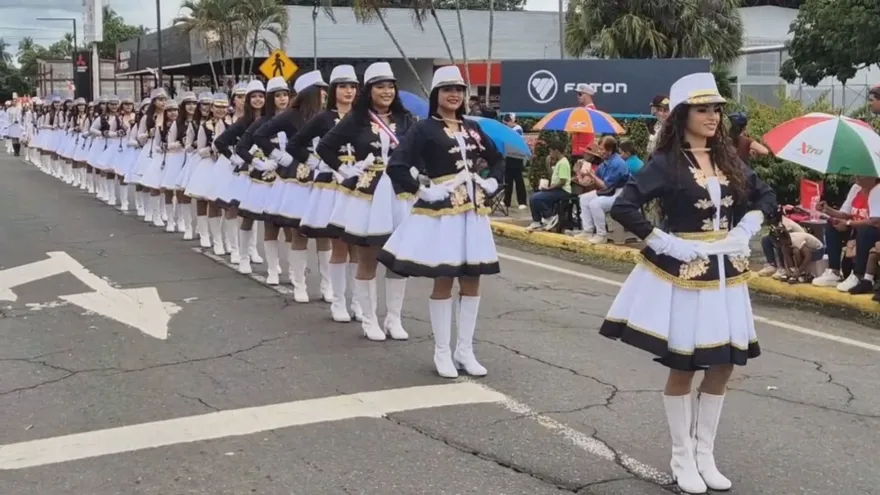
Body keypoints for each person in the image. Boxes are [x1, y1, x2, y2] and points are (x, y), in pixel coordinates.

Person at [599, 72, 776, 494]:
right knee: (686, 363)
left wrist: (749, 224)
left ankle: (705, 454)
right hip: (687, 272)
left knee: (724, 362)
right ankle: (681, 456)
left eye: (716, 108)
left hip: (727, 275)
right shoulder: (666, 163)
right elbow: (625, 206)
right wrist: (663, 241)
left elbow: (765, 195)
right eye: (703, 109)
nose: (713, 116)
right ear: (682, 115)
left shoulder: (730, 158)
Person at [378, 65, 503, 378]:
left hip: (473, 213)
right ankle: (442, 351)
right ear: (436, 94)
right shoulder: (423, 129)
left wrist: (491, 183)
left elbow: (499, 160)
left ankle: (466, 350)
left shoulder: (473, 127)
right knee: (445, 278)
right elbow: (397, 165)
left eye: (459, 90)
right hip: (442, 214)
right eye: (448, 89)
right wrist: (422, 190)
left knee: (473, 279)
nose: (454, 95)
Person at [316, 62, 417, 342]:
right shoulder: (357, 119)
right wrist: (345, 169)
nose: (386, 91)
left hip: (400, 191)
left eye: (390, 86)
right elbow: (325, 146)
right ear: (369, 90)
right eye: (379, 86)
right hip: (370, 194)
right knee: (368, 255)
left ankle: (394, 319)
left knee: (398, 258)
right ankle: (369, 318)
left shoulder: (406, 118)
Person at [290, 65, 363, 319]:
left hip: (358, 185)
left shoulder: (363, 117)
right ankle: (335, 297)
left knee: (357, 244)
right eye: (343, 86)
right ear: (333, 90)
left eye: (353, 86)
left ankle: (358, 301)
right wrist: (314, 162)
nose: (349, 91)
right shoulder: (323, 118)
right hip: (331, 184)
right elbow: (295, 144)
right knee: (338, 243)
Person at [811, 177, 880, 291]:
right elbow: (845, 213)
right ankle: (834, 271)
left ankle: (858, 275)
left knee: (866, 231)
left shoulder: (878, 190)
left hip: (872, 231)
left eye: (859, 174)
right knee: (832, 227)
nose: (856, 177)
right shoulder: (855, 189)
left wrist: (849, 223)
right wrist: (827, 210)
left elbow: (875, 221)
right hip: (855, 229)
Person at [574, 136, 630, 244]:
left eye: (602, 149)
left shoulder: (617, 163)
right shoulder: (605, 162)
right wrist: (580, 171)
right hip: (610, 192)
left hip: (621, 193)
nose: (599, 152)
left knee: (595, 204)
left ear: (610, 150)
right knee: (584, 199)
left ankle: (601, 234)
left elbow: (605, 186)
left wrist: (591, 174)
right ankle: (588, 231)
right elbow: (591, 181)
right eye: (599, 149)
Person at [526, 141, 571, 231]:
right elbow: (553, 177)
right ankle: (537, 221)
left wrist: (550, 188)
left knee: (537, 198)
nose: (550, 154)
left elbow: (563, 181)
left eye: (551, 151)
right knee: (533, 197)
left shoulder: (563, 163)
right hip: (556, 189)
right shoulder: (559, 162)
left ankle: (549, 216)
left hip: (562, 191)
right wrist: (549, 165)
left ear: (556, 151)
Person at [757, 208, 806, 278]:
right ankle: (772, 265)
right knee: (765, 240)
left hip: (799, 243)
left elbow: (785, 240)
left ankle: (783, 268)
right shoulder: (776, 222)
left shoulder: (786, 224)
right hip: (790, 241)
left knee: (780, 243)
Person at [501, 113, 527, 209]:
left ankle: (522, 201)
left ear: (511, 121)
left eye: (506, 123)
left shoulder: (518, 129)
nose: (506, 125)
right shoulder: (508, 129)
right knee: (508, 179)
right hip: (508, 156)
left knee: (518, 179)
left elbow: (513, 141)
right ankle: (506, 201)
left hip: (517, 156)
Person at [570, 83, 597, 160]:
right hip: (580, 151)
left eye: (580, 94)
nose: (578, 97)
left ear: (587, 95)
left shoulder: (589, 111)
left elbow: (576, 129)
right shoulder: (586, 110)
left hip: (582, 152)